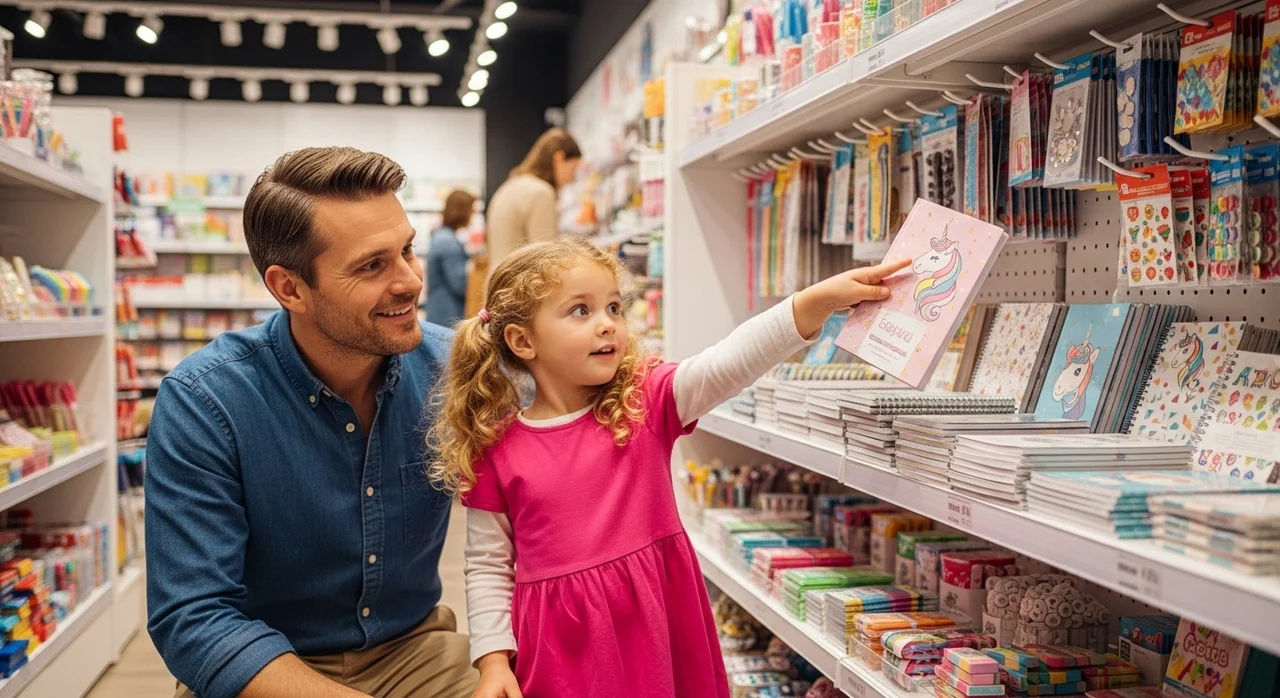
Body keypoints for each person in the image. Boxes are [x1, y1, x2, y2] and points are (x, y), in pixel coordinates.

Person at [428, 238, 909, 698]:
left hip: (657, 623)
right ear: (522, 340)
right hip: (561, 646)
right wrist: (492, 659)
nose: (608, 324)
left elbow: (729, 361)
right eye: (581, 310)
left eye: (614, 307)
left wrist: (812, 303)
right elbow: (488, 563)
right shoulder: (497, 448)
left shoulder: (644, 401)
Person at [145, 147, 479, 698]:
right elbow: (193, 616)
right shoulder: (206, 401)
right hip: (267, 667)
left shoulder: (457, 370)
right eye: (373, 265)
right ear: (289, 287)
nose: (411, 281)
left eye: (407, 251)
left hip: (416, 651)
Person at [484, 127, 581, 272]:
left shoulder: (509, 187)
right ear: (559, 158)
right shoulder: (541, 193)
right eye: (572, 169)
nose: (572, 178)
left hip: (499, 286)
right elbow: (546, 260)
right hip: (521, 289)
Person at [426, 189, 476, 327]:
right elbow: (460, 285)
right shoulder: (448, 242)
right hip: (448, 316)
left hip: (440, 313)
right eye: (472, 210)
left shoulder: (442, 236)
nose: (473, 214)